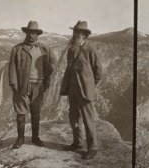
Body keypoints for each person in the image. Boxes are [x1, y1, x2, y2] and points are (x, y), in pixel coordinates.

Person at [8, 20, 56, 149]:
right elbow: (12, 67)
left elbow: (52, 62)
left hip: (38, 85)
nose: (31, 35)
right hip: (22, 85)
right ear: (26, 33)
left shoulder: (44, 48)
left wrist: (47, 76)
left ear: (37, 35)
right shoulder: (17, 49)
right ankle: (20, 138)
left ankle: (35, 137)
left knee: (36, 112)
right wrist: (13, 83)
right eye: (29, 33)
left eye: (34, 33)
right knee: (21, 112)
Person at [60, 21, 102, 160]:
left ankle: (92, 148)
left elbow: (98, 72)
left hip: (85, 91)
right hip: (72, 90)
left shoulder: (91, 49)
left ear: (84, 35)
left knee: (88, 120)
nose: (75, 34)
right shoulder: (72, 49)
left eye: (78, 32)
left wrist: (89, 85)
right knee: (74, 118)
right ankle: (77, 144)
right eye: (74, 32)